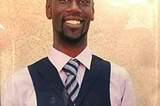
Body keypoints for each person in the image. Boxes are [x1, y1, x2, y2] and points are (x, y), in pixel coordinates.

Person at [1, 0, 137, 106]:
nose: (74, 8)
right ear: (49, 9)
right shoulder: (18, 86)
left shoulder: (119, 81)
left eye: (83, 1)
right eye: (64, 0)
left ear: (92, 11)